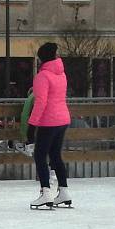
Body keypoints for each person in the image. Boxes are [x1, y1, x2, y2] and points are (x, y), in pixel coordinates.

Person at [27, 42, 72, 210]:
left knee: (40, 155)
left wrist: (32, 125)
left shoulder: (43, 76)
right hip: (63, 119)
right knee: (55, 156)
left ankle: (46, 192)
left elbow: (41, 102)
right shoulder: (61, 74)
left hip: (49, 121)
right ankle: (64, 191)